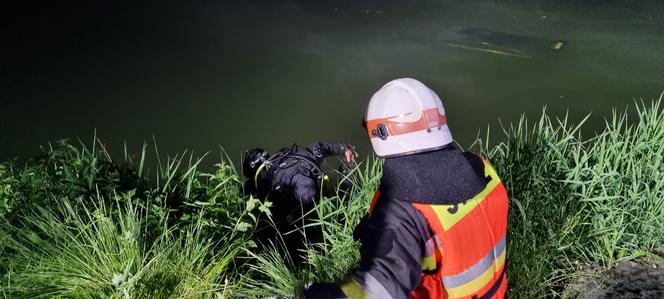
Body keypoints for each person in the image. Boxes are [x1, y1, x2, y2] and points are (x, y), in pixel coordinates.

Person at [303, 78, 509, 299]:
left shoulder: (401, 207)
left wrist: (313, 294)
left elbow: (375, 293)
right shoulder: (481, 166)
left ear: (382, 132)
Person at [243, 142, 357, 261]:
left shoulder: (266, 189)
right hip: (311, 183)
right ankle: (348, 169)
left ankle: (313, 255)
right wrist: (344, 149)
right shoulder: (297, 156)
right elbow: (321, 147)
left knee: (284, 230)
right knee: (342, 184)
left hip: (305, 207)